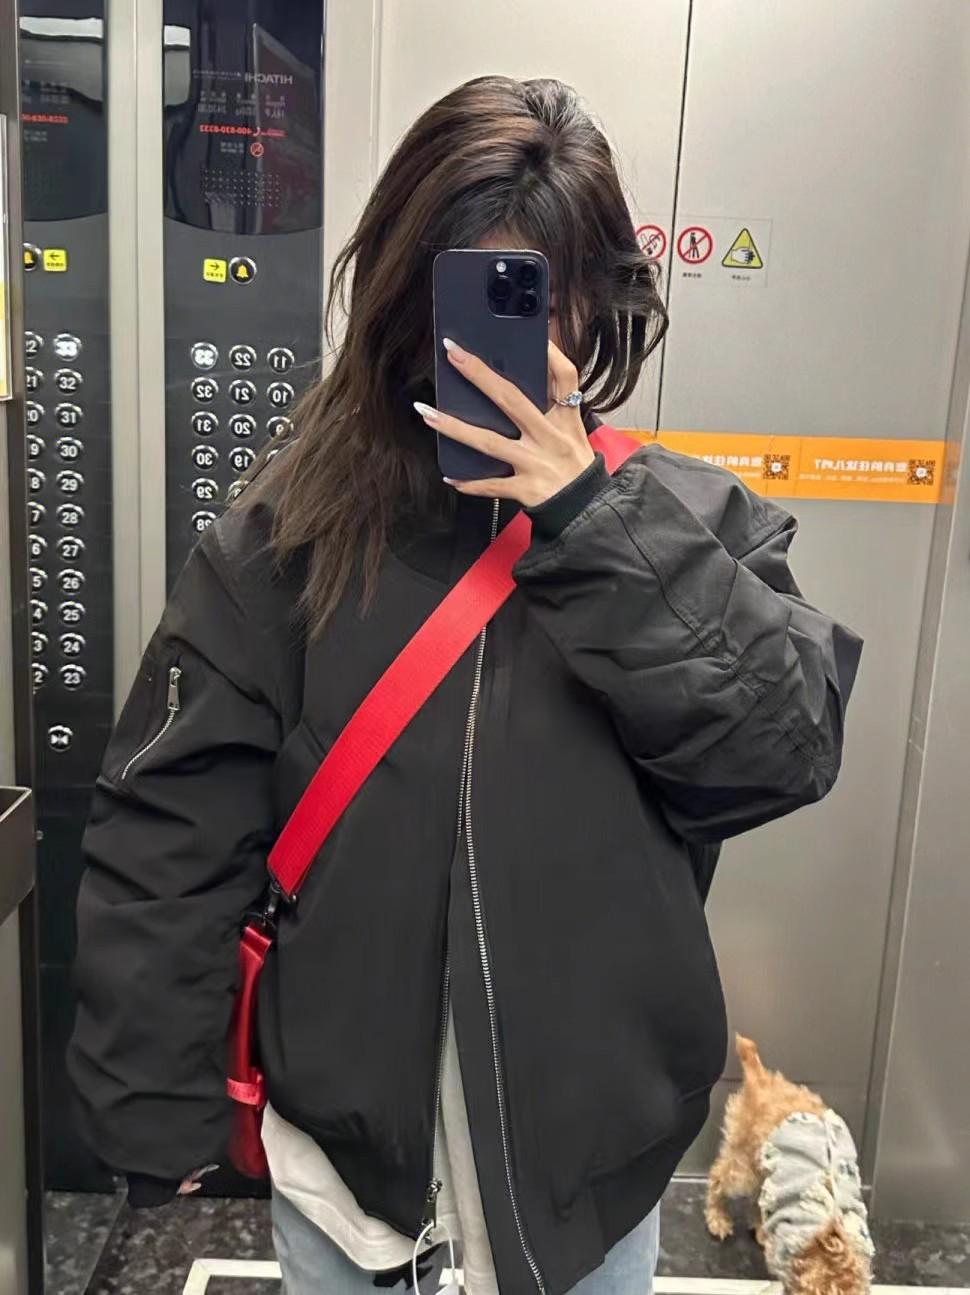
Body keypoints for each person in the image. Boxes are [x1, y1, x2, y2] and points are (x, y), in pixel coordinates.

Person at [68, 75, 862, 1295]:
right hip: (345, 1189)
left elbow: (780, 749)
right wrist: (153, 1110)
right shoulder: (290, 538)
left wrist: (592, 522)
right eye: (472, 287)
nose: (514, 333)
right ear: (404, 289)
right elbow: (168, 834)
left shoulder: (688, 522)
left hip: (588, 1195)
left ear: (595, 299)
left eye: (542, 290)